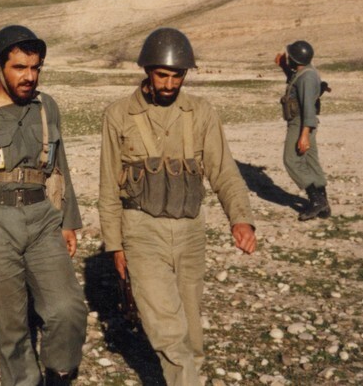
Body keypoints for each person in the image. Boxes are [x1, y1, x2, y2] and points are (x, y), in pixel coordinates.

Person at [98, 27, 257, 386]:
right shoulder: (118, 115)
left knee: (190, 333)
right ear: (147, 71)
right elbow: (108, 187)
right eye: (162, 75)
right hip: (142, 231)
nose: (170, 84)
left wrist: (241, 219)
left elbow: (224, 172)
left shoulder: (201, 112)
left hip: (190, 230)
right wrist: (115, 245)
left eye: (178, 76)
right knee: (168, 332)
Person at [0, 25, 87, 385]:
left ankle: (59, 372)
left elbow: (60, 165)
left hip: (42, 218)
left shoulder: (46, 106)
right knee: (9, 323)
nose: (30, 77)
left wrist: (68, 221)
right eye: (19, 68)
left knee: (68, 309)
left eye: (35, 67)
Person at [276, 40, 330, 221]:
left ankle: (316, 200)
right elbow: (294, 82)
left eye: (290, 57)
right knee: (311, 161)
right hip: (306, 122)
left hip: (301, 122)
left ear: (296, 59)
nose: (288, 58)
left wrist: (304, 135)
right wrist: (283, 66)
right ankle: (324, 203)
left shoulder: (307, 77)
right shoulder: (305, 71)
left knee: (291, 160)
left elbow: (307, 107)